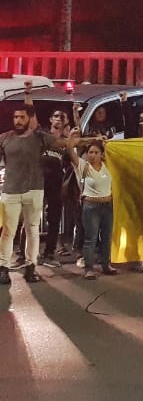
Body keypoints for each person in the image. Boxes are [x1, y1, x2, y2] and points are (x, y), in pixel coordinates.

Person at [1, 102, 80, 285]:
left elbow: (67, 143)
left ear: (29, 119)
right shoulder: (5, 138)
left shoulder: (41, 138)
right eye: (15, 117)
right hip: (11, 191)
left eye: (22, 117)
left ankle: (31, 267)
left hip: (35, 190)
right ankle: (3, 268)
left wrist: (88, 140)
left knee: (33, 231)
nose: (18, 120)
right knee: (8, 231)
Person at [37, 107, 76, 269]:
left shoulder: (66, 144)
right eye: (56, 115)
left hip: (56, 185)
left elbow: (75, 156)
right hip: (37, 182)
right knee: (30, 219)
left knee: (54, 220)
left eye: (62, 116)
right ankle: (25, 255)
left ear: (66, 121)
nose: (59, 118)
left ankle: (49, 254)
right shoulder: (41, 136)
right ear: (50, 119)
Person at [74, 140, 119, 279]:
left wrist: (106, 143)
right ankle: (89, 268)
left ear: (102, 154)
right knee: (91, 238)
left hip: (107, 206)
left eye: (96, 152)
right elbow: (70, 149)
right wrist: (73, 137)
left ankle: (106, 264)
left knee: (107, 237)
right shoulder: (84, 166)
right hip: (91, 207)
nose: (93, 155)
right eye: (90, 152)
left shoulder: (108, 166)